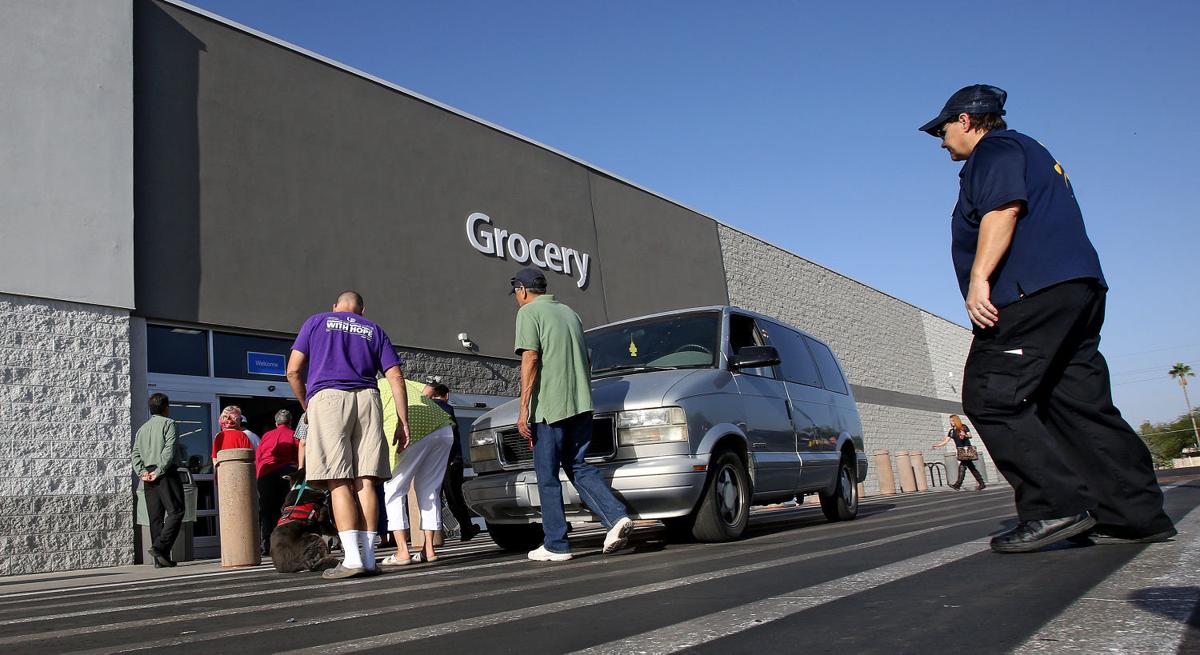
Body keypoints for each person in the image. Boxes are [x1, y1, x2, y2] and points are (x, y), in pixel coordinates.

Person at [920, 84, 1176, 553]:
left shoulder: (993, 150)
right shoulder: (1032, 150)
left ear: (967, 120)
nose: (941, 140)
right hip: (1077, 289)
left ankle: (1053, 506)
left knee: (991, 396)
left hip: (1028, 294)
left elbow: (1003, 209)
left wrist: (980, 279)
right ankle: (1136, 514)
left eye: (943, 128)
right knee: (1077, 403)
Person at [511, 267, 633, 561]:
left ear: (522, 290)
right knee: (577, 465)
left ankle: (556, 544)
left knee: (547, 475)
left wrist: (523, 407)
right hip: (581, 404)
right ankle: (615, 517)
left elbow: (530, 358)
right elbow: (586, 358)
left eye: (516, 292)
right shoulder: (570, 313)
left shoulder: (528, 313)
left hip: (550, 408)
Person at [286, 290, 410, 580]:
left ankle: (352, 558)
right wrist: (402, 421)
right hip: (368, 397)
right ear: (362, 312)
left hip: (328, 398)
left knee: (337, 478)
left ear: (336, 307)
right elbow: (395, 377)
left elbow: (293, 370)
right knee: (366, 479)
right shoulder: (373, 329)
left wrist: (307, 404)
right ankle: (368, 558)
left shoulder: (316, 322)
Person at [378, 379, 457, 569]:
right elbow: (429, 389)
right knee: (429, 489)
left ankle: (402, 551)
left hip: (412, 429)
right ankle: (428, 549)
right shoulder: (393, 379)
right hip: (441, 426)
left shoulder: (372, 389)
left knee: (394, 489)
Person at [132, 393, 184, 568]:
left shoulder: (142, 429)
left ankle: (160, 560)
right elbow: (169, 450)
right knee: (176, 511)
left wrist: (142, 472)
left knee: (155, 518)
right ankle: (160, 548)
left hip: (148, 475)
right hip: (166, 472)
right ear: (166, 408)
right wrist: (160, 470)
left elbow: (135, 454)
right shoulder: (169, 424)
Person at [425, 382, 480, 542]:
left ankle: (434, 536)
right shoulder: (446, 408)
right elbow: (452, 437)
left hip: (432, 461)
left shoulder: (426, 408)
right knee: (454, 496)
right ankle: (466, 528)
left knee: (433, 497)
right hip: (451, 460)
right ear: (446, 395)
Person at [257, 409, 299, 555]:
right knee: (286, 509)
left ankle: (266, 545)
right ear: (290, 422)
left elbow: (259, 456)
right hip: (286, 473)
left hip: (265, 473)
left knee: (267, 510)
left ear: (276, 423)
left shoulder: (266, 436)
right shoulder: (294, 434)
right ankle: (286, 544)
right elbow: (301, 454)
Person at [932, 415, 986, 491]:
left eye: (953, 421)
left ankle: (958, 484)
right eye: (950, 421)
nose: (951, 422)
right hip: (960, 451)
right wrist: (938, 445)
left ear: (956, 421)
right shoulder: (951, 431)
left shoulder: (963, 427)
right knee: (971, 467)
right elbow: (946, 441)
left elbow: (970, 436)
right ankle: (981, 483)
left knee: (963, 466)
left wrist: (965, 435)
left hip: (967, 450)